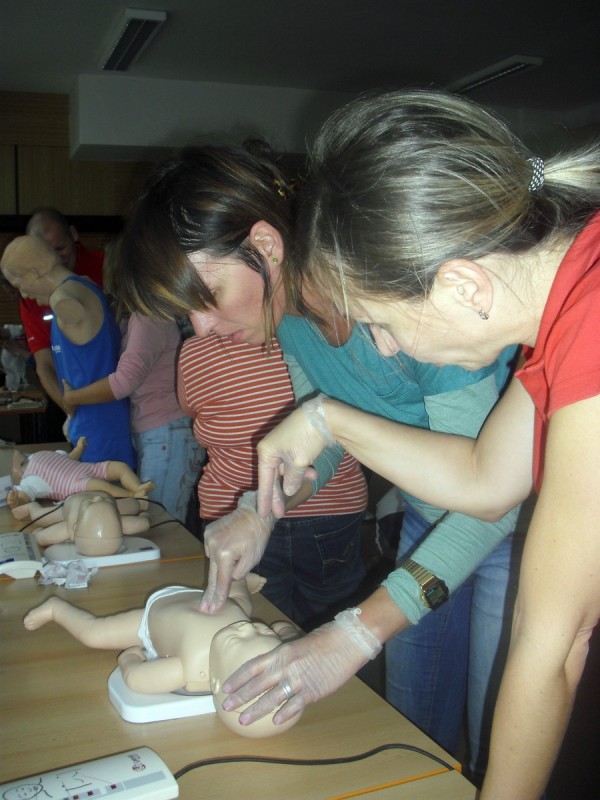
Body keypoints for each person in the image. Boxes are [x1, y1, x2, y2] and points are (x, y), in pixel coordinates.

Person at [216, 90, 599, 800]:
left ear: (462, 286)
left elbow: (555, 642)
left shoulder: (591, 323)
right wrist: (313, 436)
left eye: (383, 323)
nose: (385, 347)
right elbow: (488, 481)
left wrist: (357, 634)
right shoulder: (562, 317)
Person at [114, 142, 523, 783]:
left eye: (209, 295)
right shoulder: (291, 320)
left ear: (267, 246)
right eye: (185, 313)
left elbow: (492, 499)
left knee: (503, 741)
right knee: (415, 737)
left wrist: (355, 634)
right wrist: (260, 511)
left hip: (517, 533)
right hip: (428, 520)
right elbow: (326, 443)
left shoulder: (405, 298)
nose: (201, 329)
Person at [177, 330, 367, 630]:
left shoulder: (194, 352)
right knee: (333, 627)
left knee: (255, 628)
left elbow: (190, 406)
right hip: (330, 505)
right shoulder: (316, 335)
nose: (200, 324)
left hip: (234, 512)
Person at [23, 574, 303, 738]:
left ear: (218, 684)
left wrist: (129, 658)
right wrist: (290, 639)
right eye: (263, 633)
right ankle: (237, 578)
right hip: (221, 602)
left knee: (95, 632)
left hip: (158, 613)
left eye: (238, 639)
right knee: (242, 604)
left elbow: (136, 678)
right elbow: (285, 630)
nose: (249, 628)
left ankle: (56, 608)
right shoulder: (247, 628)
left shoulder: (188, 670)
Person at [61, 239, 204, 523]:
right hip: (160, 431)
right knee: (154, 517)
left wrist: (72, 398)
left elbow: (124, 381)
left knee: (160, 520)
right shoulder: (134, 317)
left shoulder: (149, 317)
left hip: (168, 431)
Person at [0, 235, 136, 469]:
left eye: (20, 285)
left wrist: (69, 400)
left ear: (33, 273)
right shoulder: (83, 286)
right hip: (92, 425)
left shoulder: (65, 300)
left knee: (106, 492)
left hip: (99, 431)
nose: (24, 295)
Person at [21, 208, 105, 436]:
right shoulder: (31, 294)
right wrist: (71, 408)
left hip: (115, 388)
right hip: (67, 394)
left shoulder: (106, 267)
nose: (57, 260)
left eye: (60, 248)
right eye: (46, 254)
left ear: (73, 234)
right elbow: (44, 363)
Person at [5, 436, 154, 511]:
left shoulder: (36, 455)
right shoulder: (26, 482)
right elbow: (24, 498)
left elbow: (68, 458)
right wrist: (15, 501)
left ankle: (136, 487)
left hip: (84, 468)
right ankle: (133, 497)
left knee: (120, 467)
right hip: (74, 485)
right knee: (103, 487)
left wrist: (79, 449)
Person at [17, 490, 151, 554]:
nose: (97, 498)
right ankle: (31, 507)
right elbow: (144, 523)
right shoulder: (70, 529)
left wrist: (38, 535)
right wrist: (146, 517)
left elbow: (41, 538)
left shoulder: (70, 530)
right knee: (37, 517)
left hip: (108, 501)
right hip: (72, 504)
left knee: (134, 505)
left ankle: (139, 503)